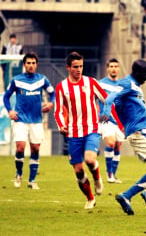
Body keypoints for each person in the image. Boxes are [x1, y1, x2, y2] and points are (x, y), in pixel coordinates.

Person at [100, 59, 146, 215]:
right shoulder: (127, 83)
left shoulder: (135, 86)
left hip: (139, 131)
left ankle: (126, 196)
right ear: (136, 72)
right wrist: (106, 113)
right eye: (145, 74)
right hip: (140, 131)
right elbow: (110, 97)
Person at [54, 52, 121, 209]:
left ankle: (97, 178)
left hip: (92, 128)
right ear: (68, 68)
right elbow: (57, 110)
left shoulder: (91, 82)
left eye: (81, 66)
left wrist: (109, 116)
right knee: (78, 171)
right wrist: (61, 125)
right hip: (73, 132)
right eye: (75, 67)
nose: (79, 69)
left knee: (90, 159)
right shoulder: (62, 87)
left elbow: (107, 99)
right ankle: (90, 198)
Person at [3, 52, 55, 190]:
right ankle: (19, 174)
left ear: (36, 65)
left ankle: (32, 180)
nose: (31, 65)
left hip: (36, 120)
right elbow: (6, 97)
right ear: (24, 64)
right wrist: (10, 111)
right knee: (20, 147)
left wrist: (51, 103)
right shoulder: (16, 80)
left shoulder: (42, 79)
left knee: (35, 149)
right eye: (28, 63)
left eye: (33, 63)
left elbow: (52, 93)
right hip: (20, 119)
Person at [98, 58, 124, 183]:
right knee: (111, 143)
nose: (113, 68)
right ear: (107, 68)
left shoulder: (122, 85)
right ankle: (109, 175)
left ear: (118, 69)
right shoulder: (100, 84)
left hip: (119, 121)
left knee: (118, 147)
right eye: (111, 66)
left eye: (116, 66)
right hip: (106, 119)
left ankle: (113, 175)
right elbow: (92, 99)